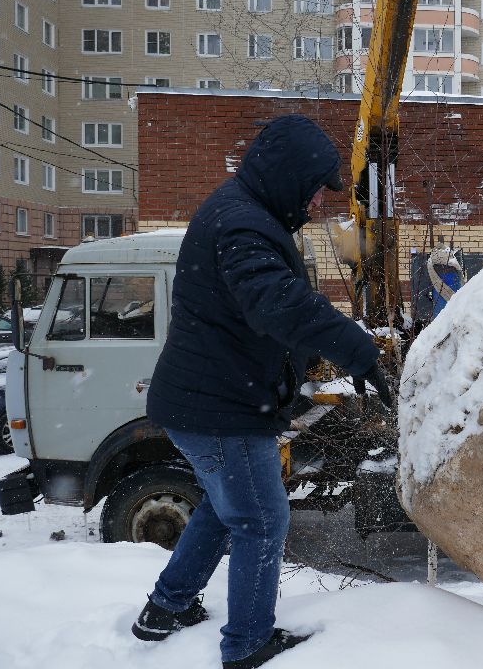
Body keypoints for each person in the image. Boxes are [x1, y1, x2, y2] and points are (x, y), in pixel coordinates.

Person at [132, 114, 391, 669]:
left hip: (206, 401)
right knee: (261, 520)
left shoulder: (243, 211)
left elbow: (258, 313)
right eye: (314, 189)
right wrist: (357, 349)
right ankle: (247, 644)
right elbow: (278, 305)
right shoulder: (243, 226)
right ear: (288, 175)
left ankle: (165, 609)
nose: (318, 203)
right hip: (221, 410)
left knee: (226, 507)